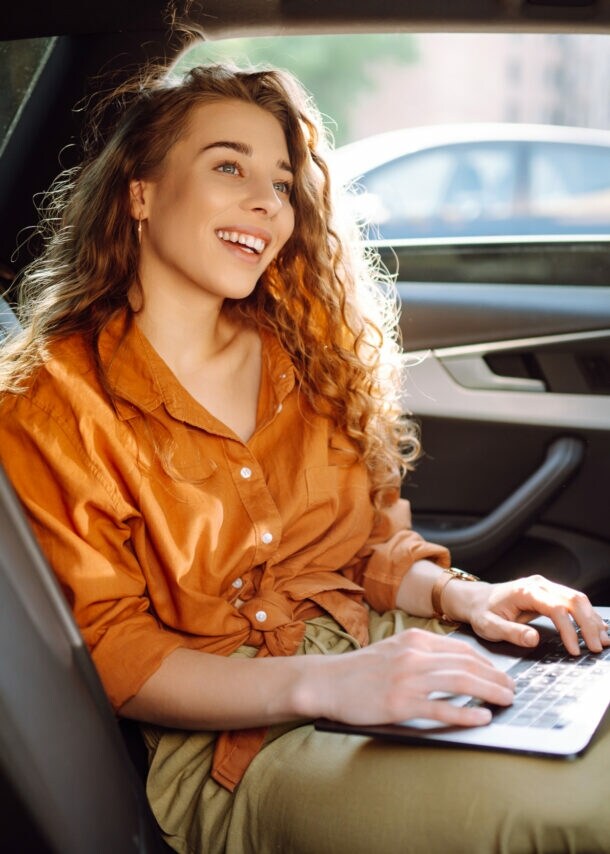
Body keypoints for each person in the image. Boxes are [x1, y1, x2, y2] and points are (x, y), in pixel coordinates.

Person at [0, 59, 609, 854]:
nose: (267, 201)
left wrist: (469, 598)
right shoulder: (52, 405)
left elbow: (368, 549)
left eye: (284, 183)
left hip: (388, 644)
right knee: (577, 806)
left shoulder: (304, 352)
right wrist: (328, 683)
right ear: (140, 193)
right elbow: (120, 656)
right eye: (229, 167)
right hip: (239, 743)